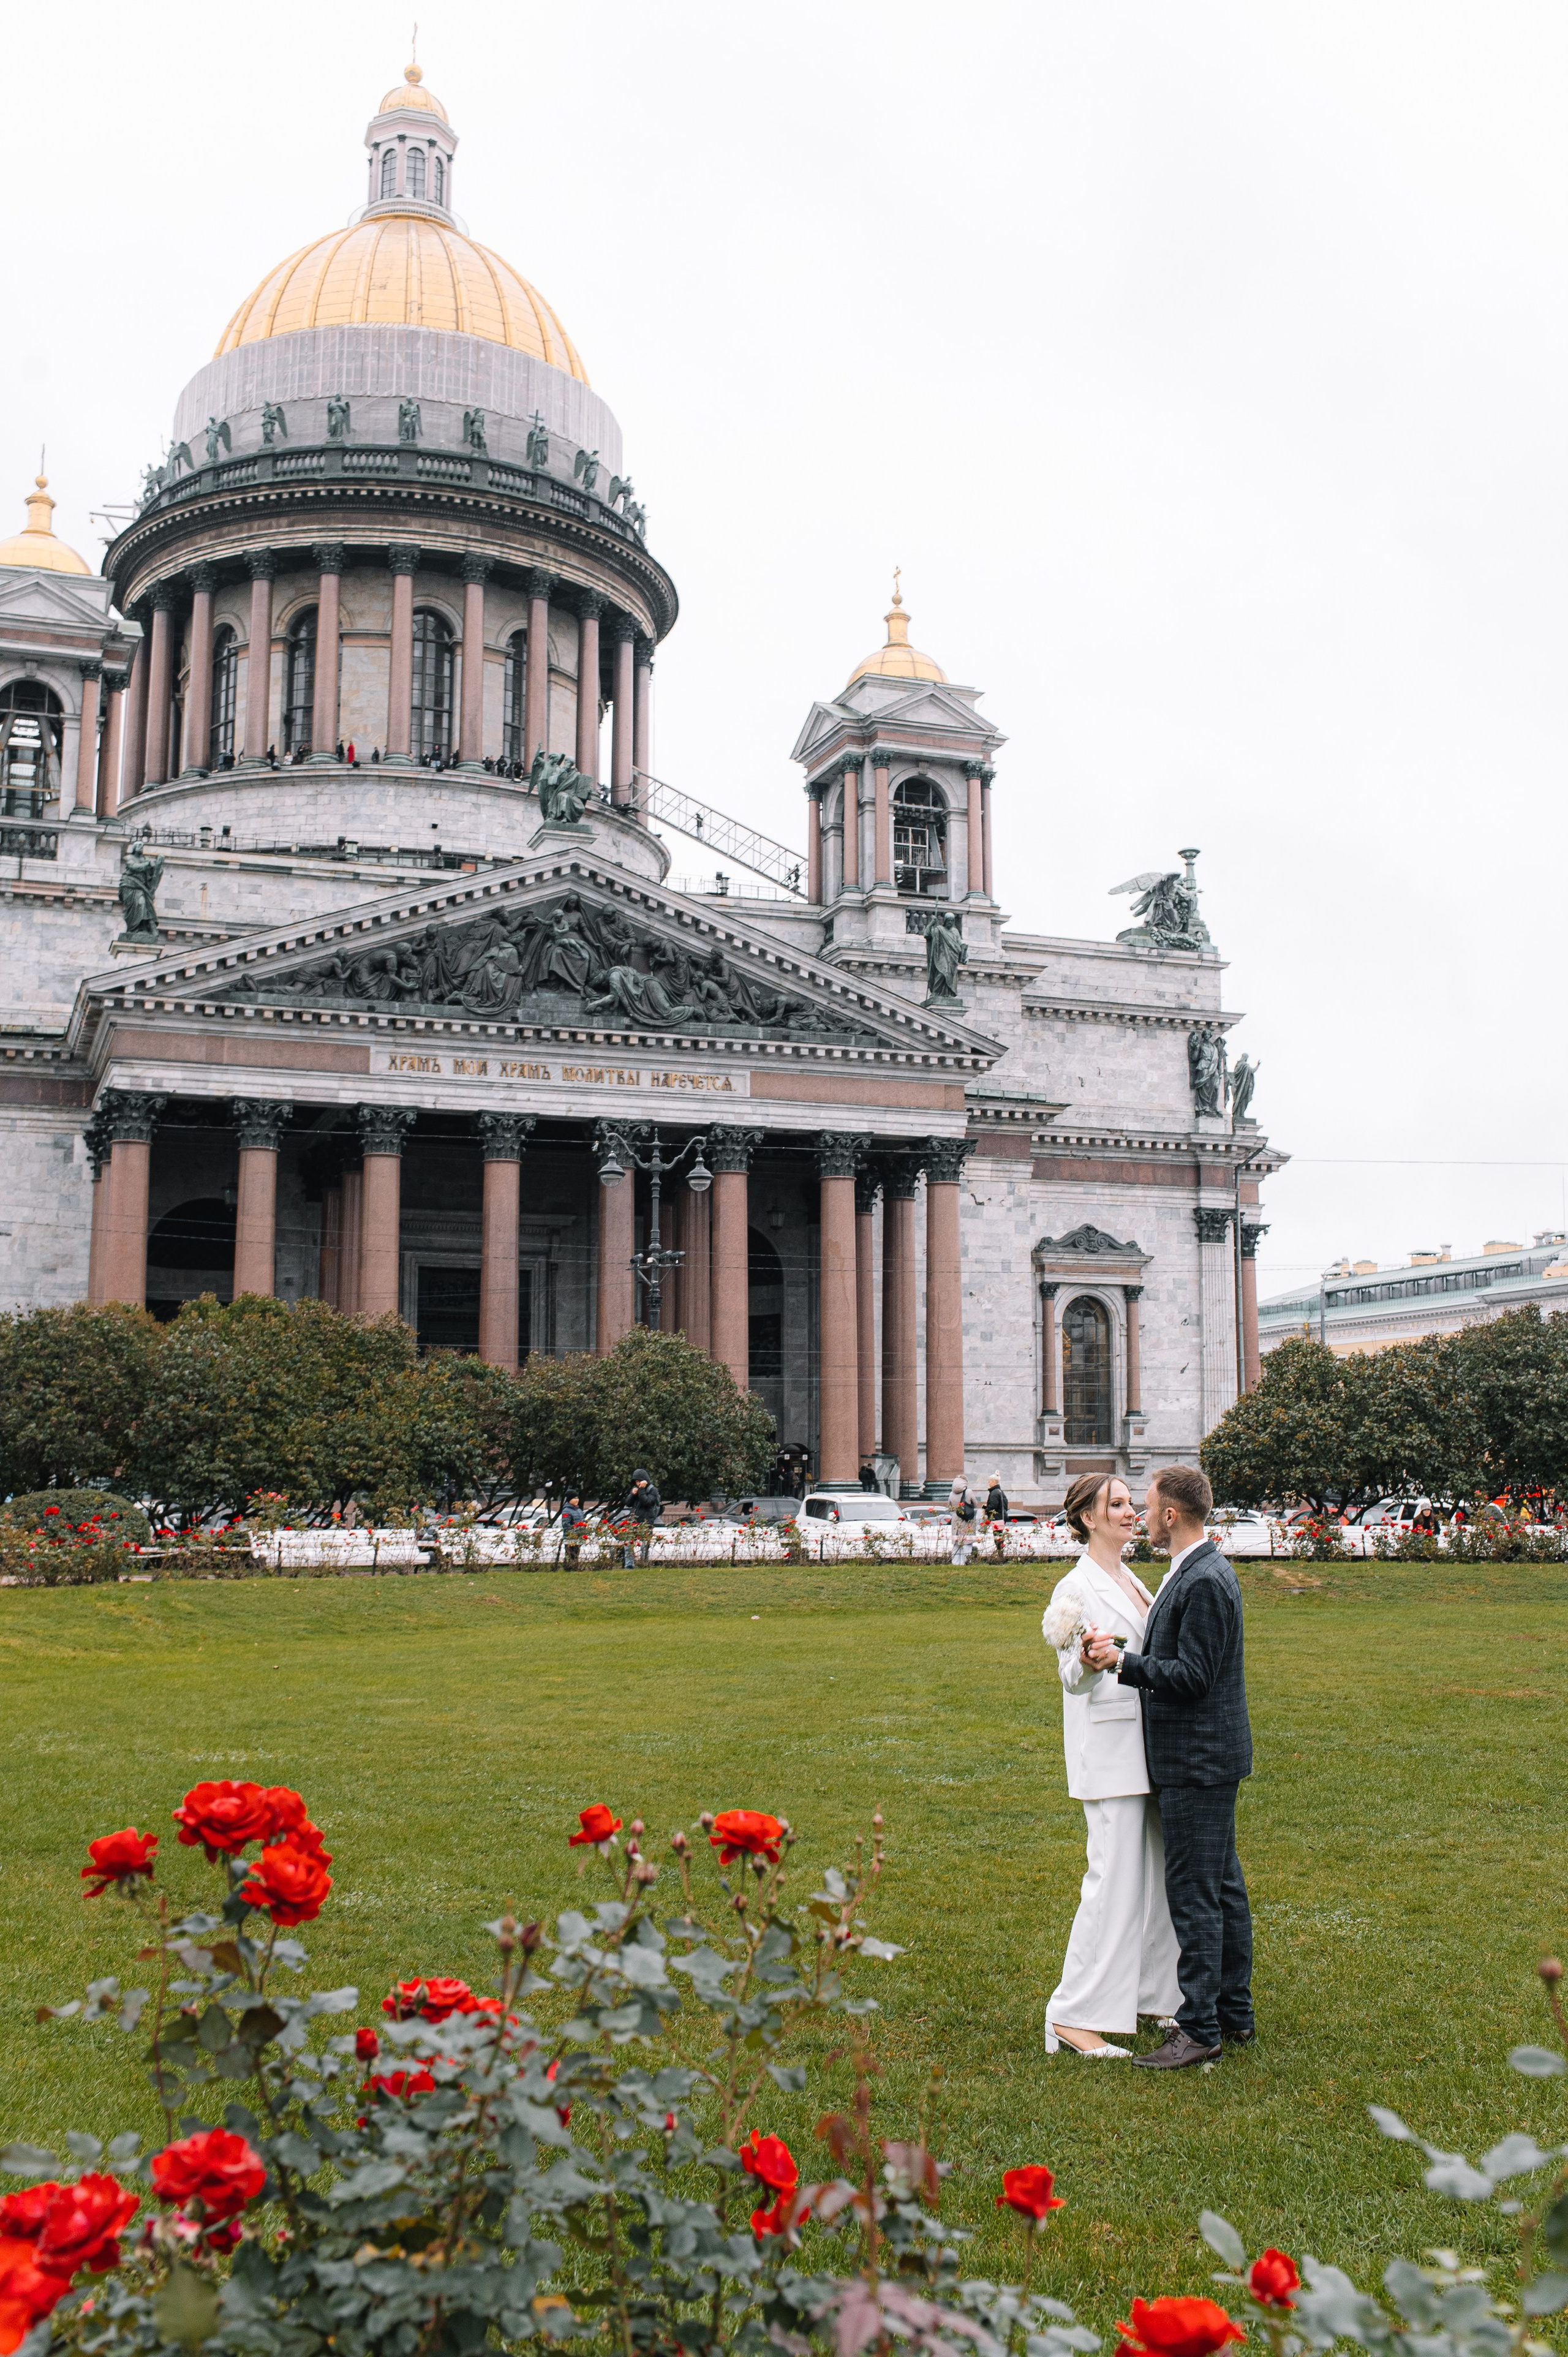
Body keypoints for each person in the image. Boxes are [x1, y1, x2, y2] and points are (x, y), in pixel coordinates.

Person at [1087, 1463, 1254, 2068]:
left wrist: (1122, 1663)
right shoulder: (1194, 1569)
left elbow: (1192, 1676)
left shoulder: (1203, 1578)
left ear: (1170, 1515)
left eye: (1147, 1504)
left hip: (1196, 1760)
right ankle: (1234, 2013)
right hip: (1206, 1756)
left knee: (1195, 1895)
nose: (1140, 1515)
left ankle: (1200, 2026)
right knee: (1222, 1888)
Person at [1042, 1472, 1181, 2057]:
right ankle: (1073, 2017)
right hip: (1109, 1752)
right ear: (1087, 1519)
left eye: (1130, 1504)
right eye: (1117, 1505)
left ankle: (1154, 1995)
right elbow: (1070, 1677)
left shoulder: (1131, 1579)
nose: (1130, 1513)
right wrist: (1092, 1664)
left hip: (1147, 1749)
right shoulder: (1073, 1588)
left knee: (1152, 1881)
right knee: (1111, 1885)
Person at [622, 1469, 662, 1566]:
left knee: (644, 1544)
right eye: (636, 1482)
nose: (638, 1483)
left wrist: (642, 1490)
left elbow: (647, 1502)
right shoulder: (637, 1490)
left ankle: (644, 1563)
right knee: (629, 1542)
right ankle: (629, 1564)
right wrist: (632, 1494)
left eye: (639, 1481)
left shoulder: (653, 1490)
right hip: (634, 1521)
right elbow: (628, 1503)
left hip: (646, 1522)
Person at [949, 1476, 978, 1564]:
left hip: (955, 1519)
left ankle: (955, 1563)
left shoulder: (951, 1494)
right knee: (967, 1543)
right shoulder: (969, 1492)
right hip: (967, 1520)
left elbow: (950, 1507)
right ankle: (966, 1563)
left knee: (957, 1544)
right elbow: (975, 1504)